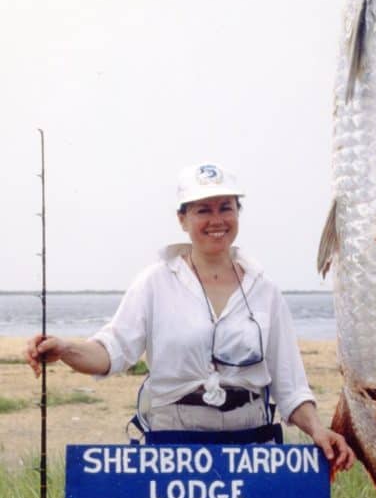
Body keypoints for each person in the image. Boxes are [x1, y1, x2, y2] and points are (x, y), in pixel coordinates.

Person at [26, 162, 354, 473]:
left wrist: (317, 430)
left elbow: (291, 387)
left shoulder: (265, 290)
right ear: (182, 219)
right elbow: (111, 352)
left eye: (226, 207)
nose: (216, 219)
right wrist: (65, 349)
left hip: (251, 441)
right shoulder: (154, 282)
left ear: (238, 213)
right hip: (173, 436)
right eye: (202, 210)